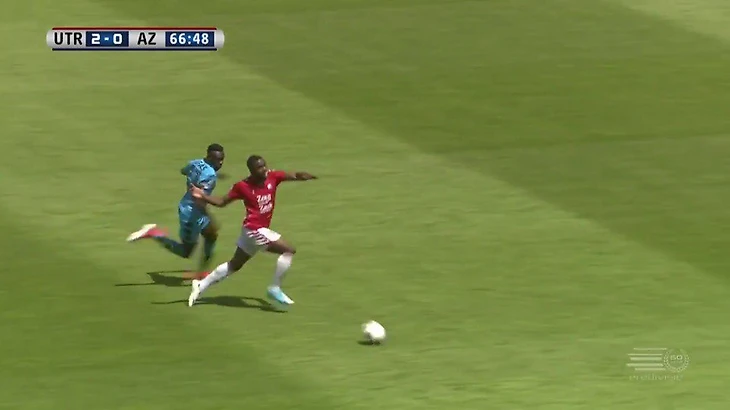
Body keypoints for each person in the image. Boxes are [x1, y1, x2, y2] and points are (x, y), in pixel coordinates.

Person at [186, 154, 317, 307]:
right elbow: (222, 202)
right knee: (288, 250)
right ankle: (275, 288)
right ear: (252, 171)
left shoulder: (272, 177)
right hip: (254, 229)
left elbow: (293, 175)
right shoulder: (242, 186)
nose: (264, 169)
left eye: (264, 165)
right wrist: (202, 196)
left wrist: (306, 176)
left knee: (234, 265)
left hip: (252, 232)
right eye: (259, 168)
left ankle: (200, 285)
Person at [126, 144, 225, 278]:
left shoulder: (195, 163)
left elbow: (184, 171)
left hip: (189, 206)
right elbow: (199, 197)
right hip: (192, 214)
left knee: (212, 235)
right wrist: (210, 215)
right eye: (217, 160)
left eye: (222, 159)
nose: (221, 163)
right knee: (186, 252)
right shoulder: (210, 175)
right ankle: (154, 233)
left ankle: (202, 273)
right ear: (209, 157)